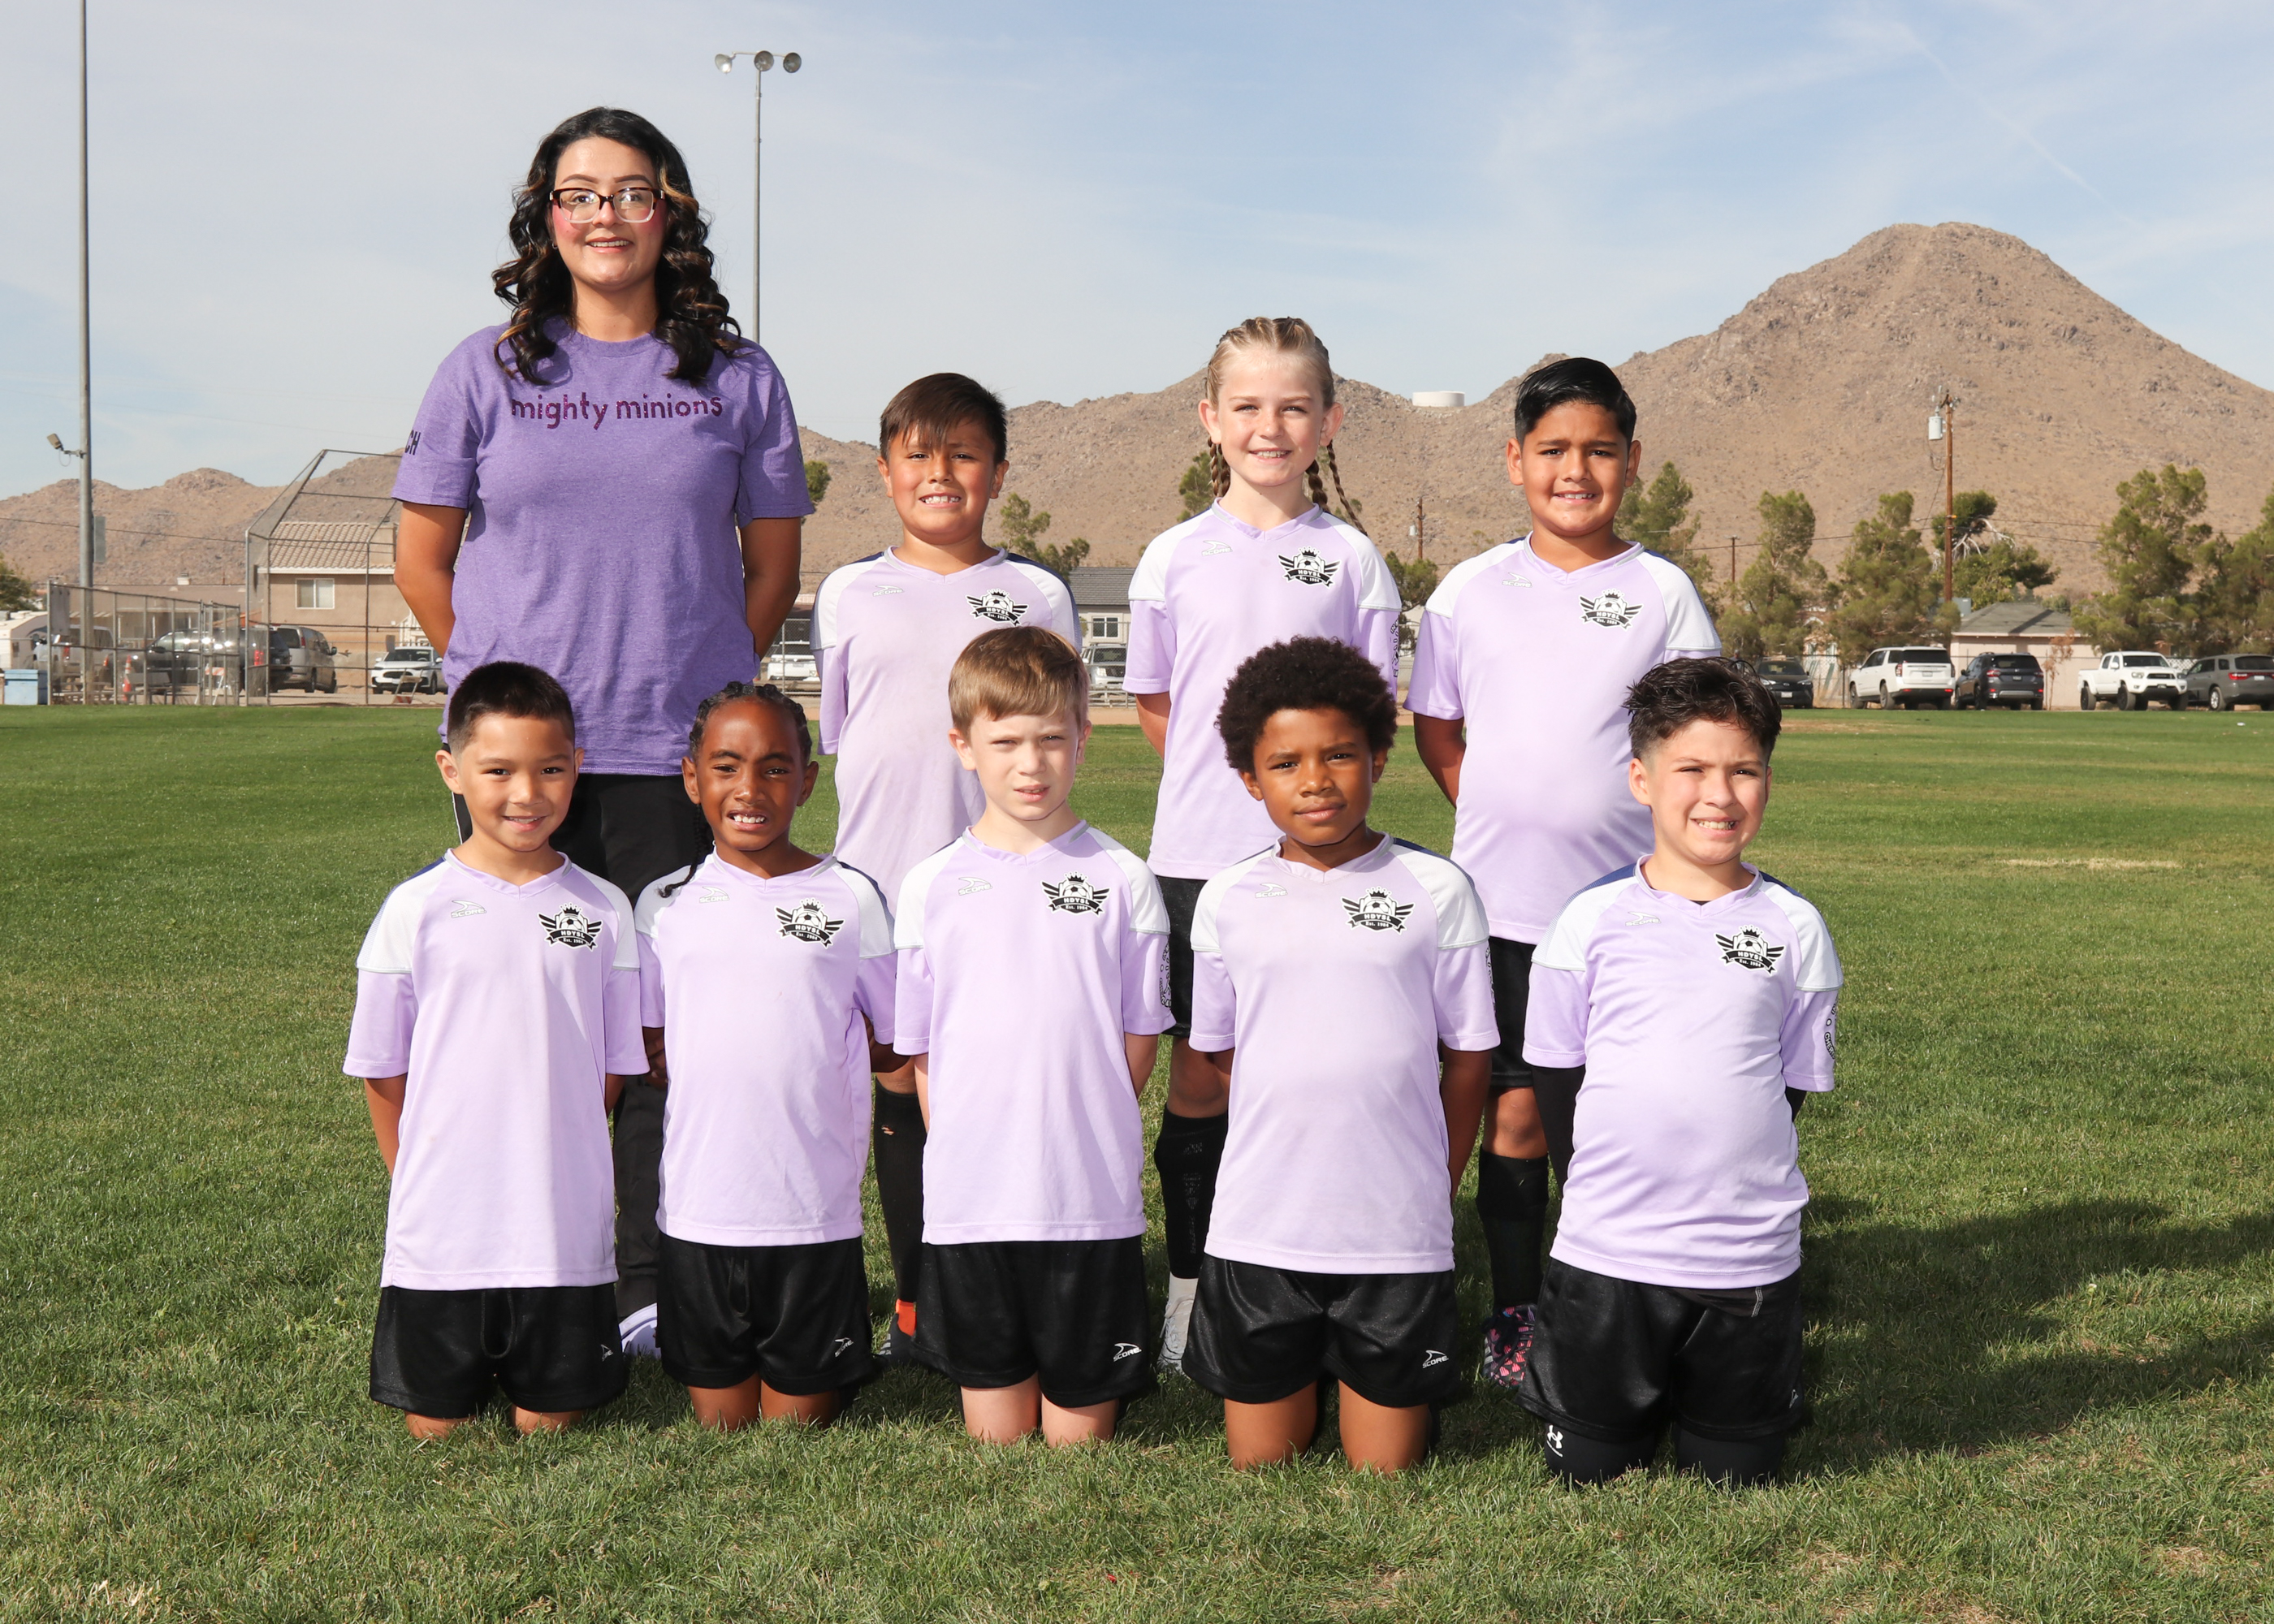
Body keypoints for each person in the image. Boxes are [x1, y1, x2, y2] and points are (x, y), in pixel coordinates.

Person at [391, 107, 815, 1358]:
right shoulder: (484, 369)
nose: (606, 216)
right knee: (527, 1031)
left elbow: (771, 573)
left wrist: (697, 685)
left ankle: (642, 1285)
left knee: (664, 1033)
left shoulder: (739, 377)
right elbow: (423, 560)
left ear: (670, 209)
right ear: (546, 216)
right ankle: (518, 1272)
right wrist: (493, 687)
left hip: (673, 761)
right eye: (579, 194)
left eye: (631, 192)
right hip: (531, 769)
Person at [1406, 356, 1721, 1390]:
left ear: (1632, 461)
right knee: (1514, 1115)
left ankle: (1620, 1298)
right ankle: (1514, 1309)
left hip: (1627, 915)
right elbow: (1438, 727)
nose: (1574, 470)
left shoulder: (1662, 592)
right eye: (1552, 450)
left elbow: (1694, 739)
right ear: (1514, 460)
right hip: (1500, 910)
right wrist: (1501, 810)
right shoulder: (1467, 591)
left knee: (1614, 1115)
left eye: (1598, 450)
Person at [1122, 318, 1402, 1373]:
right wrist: (1234, 795)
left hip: (1323, 867)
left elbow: (1369, 718)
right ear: (1211, 419)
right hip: (1199, 867)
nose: (1269, 426)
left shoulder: (1353, 560)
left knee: (1309, 1080)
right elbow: (1160, 706)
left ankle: (1321, 1281)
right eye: (1246, 405)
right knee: (1201, 1084)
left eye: (1293, 406)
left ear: (1329, 420)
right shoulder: (1172, 557)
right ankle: (1190, 1291)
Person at [1517, 658, 1840, 1487]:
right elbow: (1556, 1075)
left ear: (1768, 780)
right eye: (1691, 769)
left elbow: (1787, 1086)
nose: (1719, 795)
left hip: (1746, 1260)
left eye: (1744, 771)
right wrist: (1595, 1192)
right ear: (1641, 779)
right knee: (1589, 1473)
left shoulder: (1795, 927)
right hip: (1609, 1254)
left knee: (1735, 1478)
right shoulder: (1588, 921)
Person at [811, 374, 1080, 1365]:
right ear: (885, 472)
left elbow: (1049, 731)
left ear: (997, 473)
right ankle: (918, 1301)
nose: (940, 472)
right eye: (918, 454)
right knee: (897, 1084)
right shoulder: (848, 592)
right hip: (880, 886)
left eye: (963, 454)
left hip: (1000, 886)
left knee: (994, 1083)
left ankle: (1009, 1282)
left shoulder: (1039, 594)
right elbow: (846, 733)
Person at [1178, 637, 1496, 1473]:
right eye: (1285, 763)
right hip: (1261, 1227)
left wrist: (1438, 1180)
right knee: (1258, 1465)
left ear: (1379, 759)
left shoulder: (1438, 890)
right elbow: (1219, 1055)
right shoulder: (1227, 898)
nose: (1315, 780)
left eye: (1340, 755)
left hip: (1394, 1232)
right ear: (1251, 779)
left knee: (1385, 1472)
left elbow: (1467, 1058)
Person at [346, 663, 645, 1437]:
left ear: (578, 766)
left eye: (551, 770)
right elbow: (382, 1066)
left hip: (559, 1219)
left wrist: (563, 1142)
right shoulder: (415, 908)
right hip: (444, 1220)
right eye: (499, 771)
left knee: (548, 1423)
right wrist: (412, 1172)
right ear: (452, 770)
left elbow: (614, 1064)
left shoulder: (604, 909)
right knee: (435, 1430)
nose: (527, 793)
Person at [889, 627, 1171, 1445]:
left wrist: (1080, 1123)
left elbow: (1137, 1044)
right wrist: (968, 1152)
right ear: (963, 746)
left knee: (1077, 1441)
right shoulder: (931, 885)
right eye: (1006, 741)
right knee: (997, 1441)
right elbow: (924, 1053)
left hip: (1087, 1203)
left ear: (1083, 736)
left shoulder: (1124, 878)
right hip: (974, 1205)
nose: (1031, 763)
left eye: (1051, 738)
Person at [633, 683, 897, 1430]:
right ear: (692, 779)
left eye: (775, 768)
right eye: (726, 767)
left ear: (806, 781)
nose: (749, 789)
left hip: (813, 1217)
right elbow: (648, 1044)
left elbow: (890, 1038)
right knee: (721, 1420)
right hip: (700, 1215)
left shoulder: (851, 897)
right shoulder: (662, 904)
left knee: (794, 1425)